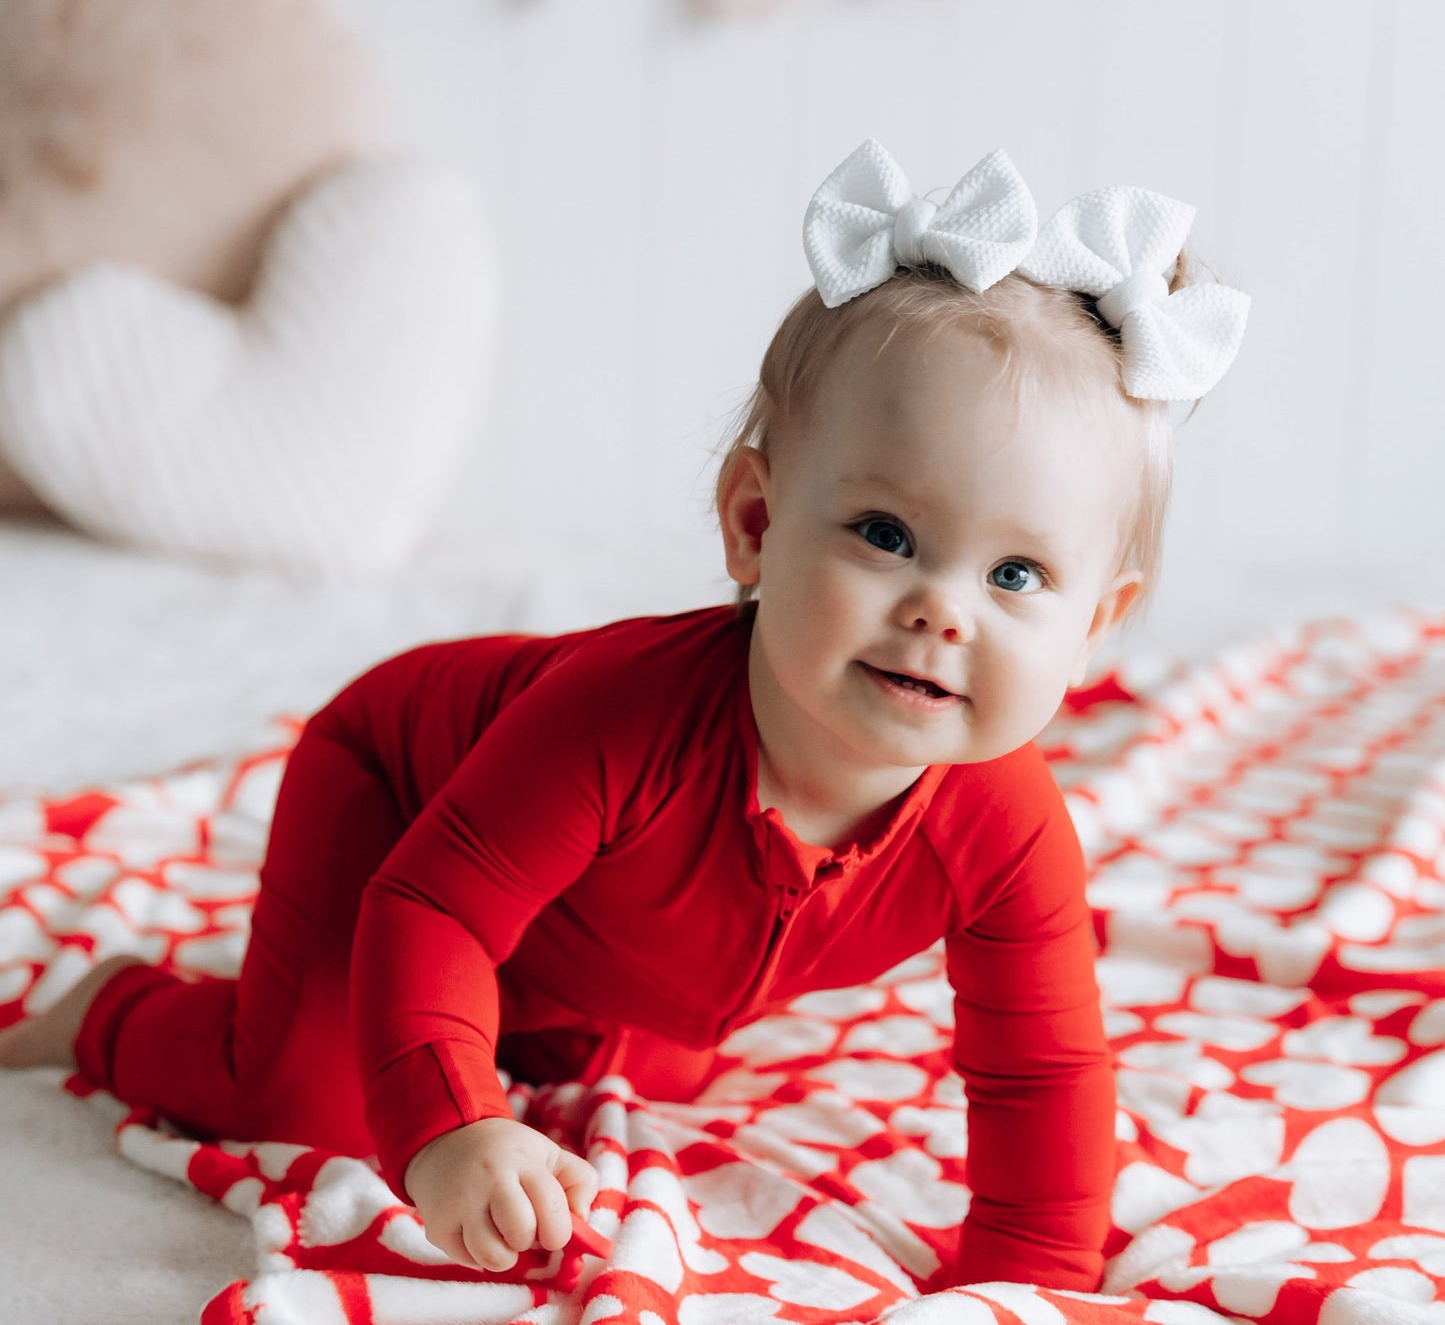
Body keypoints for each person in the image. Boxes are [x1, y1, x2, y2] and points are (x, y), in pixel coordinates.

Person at [0, 138, 1249, 1292]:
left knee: (645, 1061)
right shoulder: (620, 722)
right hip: (403, 801)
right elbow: (431, 904)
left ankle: (526, 1022)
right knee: (311, 1102)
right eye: (884, 534)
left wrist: (1023, 1283)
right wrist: (452, 1124)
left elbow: (1037, 1073)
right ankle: (109, 1006)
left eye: (1015, 576)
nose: (942, 611)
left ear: (1096, 624)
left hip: (615, 940)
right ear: (753, 524)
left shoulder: (1006, 830)